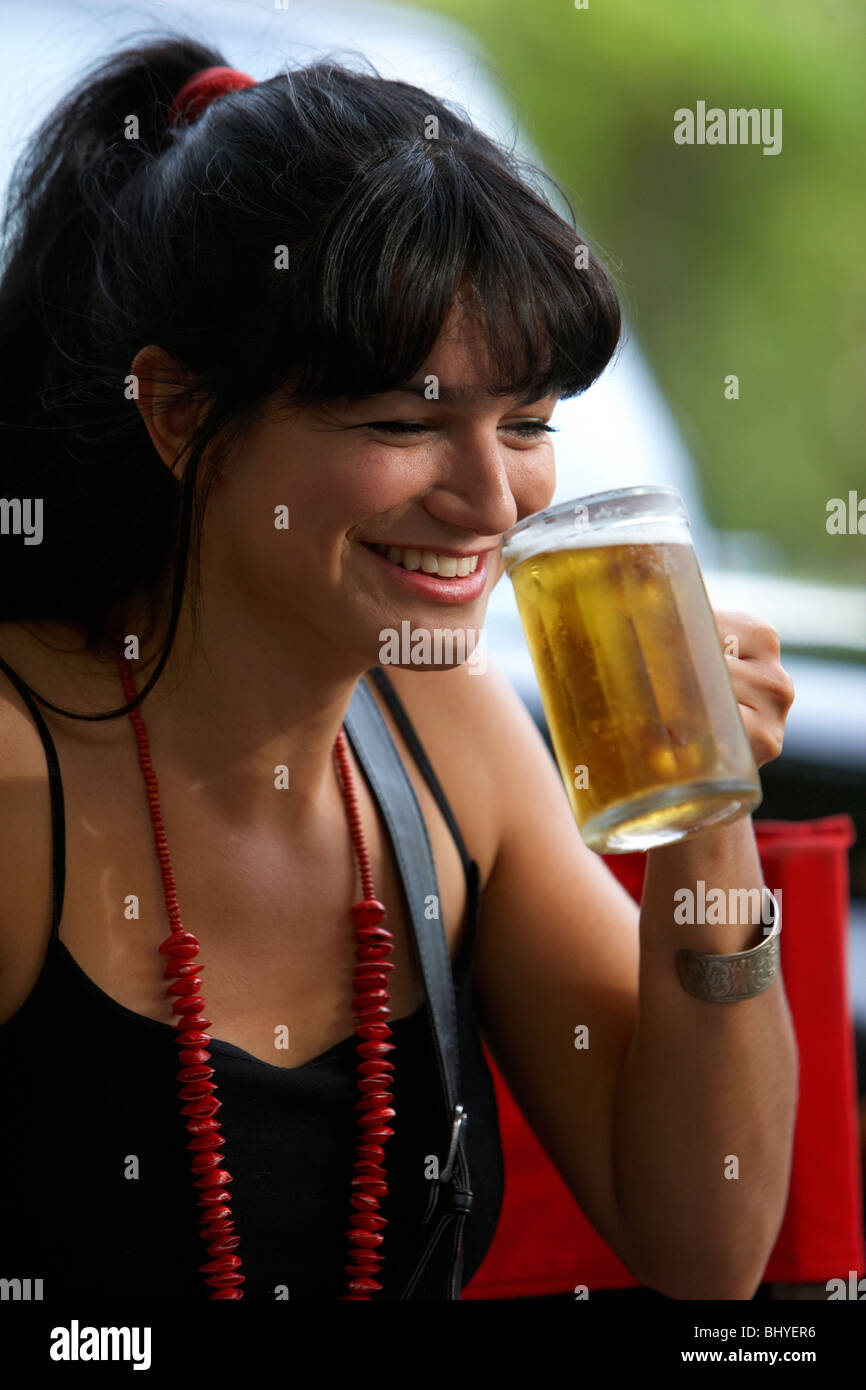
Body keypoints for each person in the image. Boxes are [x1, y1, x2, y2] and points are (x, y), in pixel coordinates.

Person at [0, 35, 797, 1303]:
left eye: (527, 422)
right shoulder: (19, 782)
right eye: (404, 423)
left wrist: (703, 807)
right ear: (180, 413)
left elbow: (706, 1241)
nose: (493, 499)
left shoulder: (452, 740)